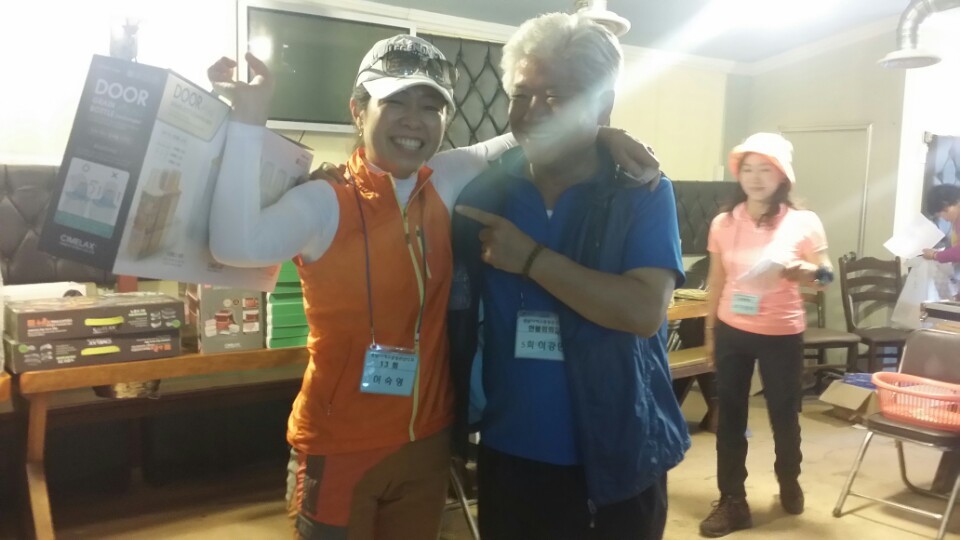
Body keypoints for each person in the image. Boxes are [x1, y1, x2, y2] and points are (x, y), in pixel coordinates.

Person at [206, 34, 658, 540]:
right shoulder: (323, 200)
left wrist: (605, 133)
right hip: (341, 444)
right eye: (395, 102)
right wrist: (249, 117)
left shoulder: (444, 179)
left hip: (428, 441)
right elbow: (234, 245)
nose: (414, 120)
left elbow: (530, 134)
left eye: (430, 106)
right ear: (358, 110)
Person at [447, 13, 689, 540]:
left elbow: (643, 311)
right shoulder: (487, 191)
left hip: (617, 452)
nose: (532, 112)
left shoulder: (641, 191)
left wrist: (531, 258)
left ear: (602, 105)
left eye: (555, 96)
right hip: (508, 453)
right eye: (521, 94)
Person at [699, 133, 834, 537]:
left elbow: (826, 275)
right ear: (738, 174)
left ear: (782, 176)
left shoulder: (803, 221)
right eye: (748, 169)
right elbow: (716, 280)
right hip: (732, 330)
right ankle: (732, 500)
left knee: (783, 414)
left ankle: (788, 477)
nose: (755, 178)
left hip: (782, 332)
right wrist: (710, 333)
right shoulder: (723, 223)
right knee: (730, 418)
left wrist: (810, 272)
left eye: (765, 170)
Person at [923, 183, 960, 264]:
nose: (945, 220)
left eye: (941, 215)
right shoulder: (956, 221)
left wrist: (935, 255)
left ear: (946, 206)